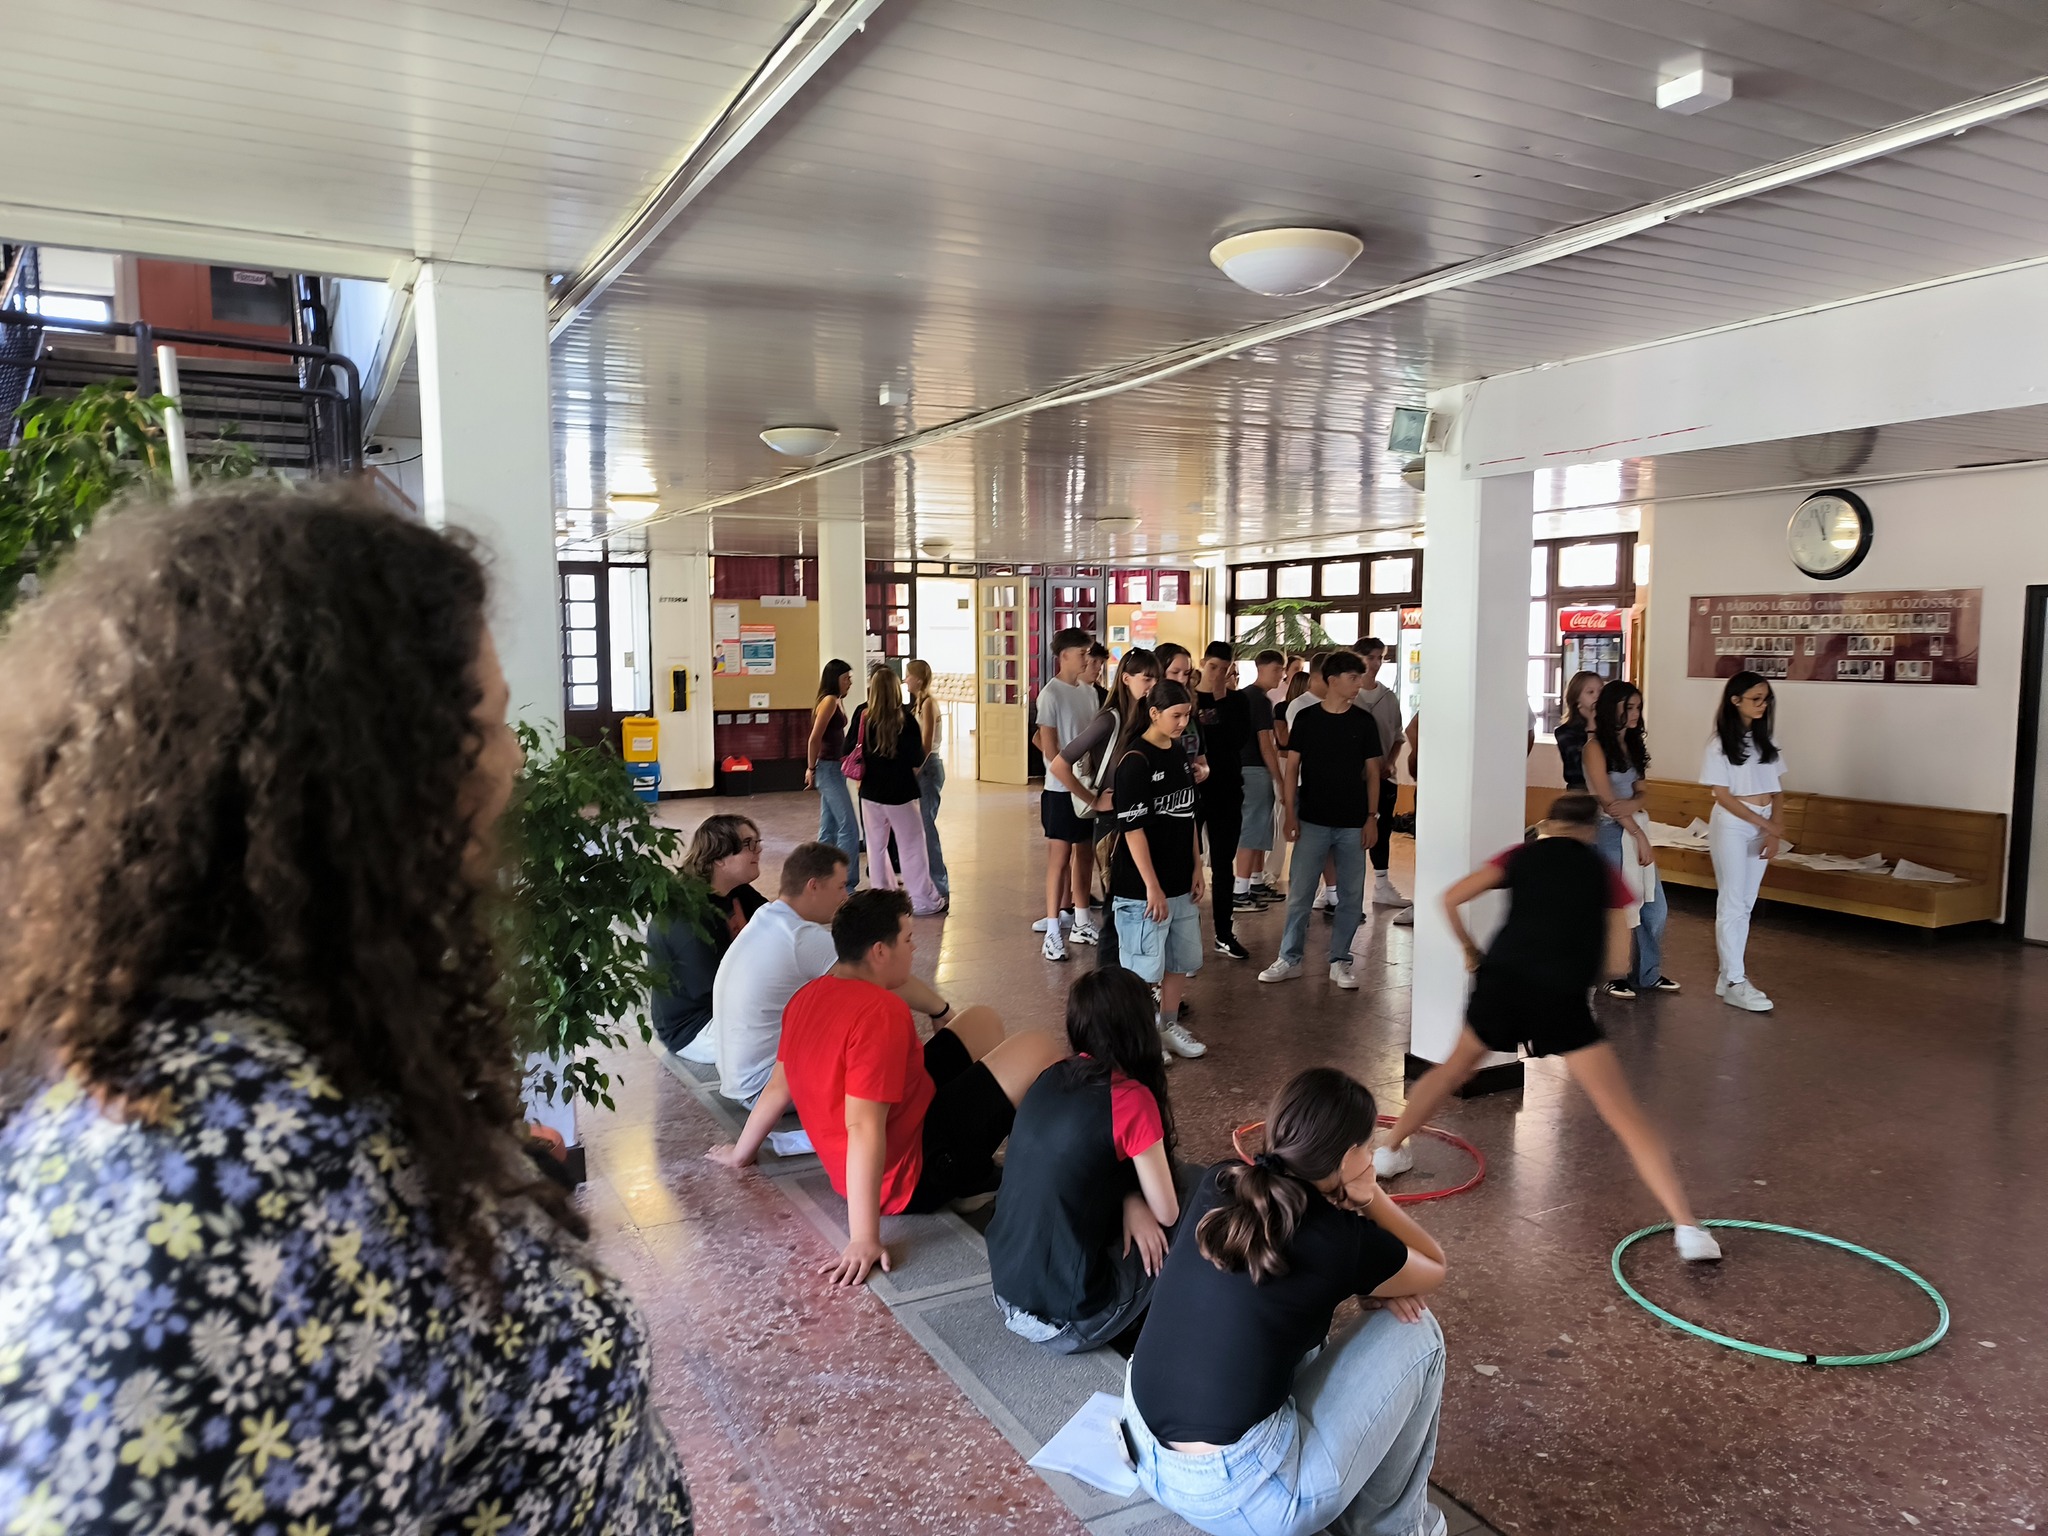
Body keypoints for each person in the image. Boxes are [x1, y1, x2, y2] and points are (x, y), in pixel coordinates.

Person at [0, 486, 693, 1533]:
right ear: (359, 781)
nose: (511, 764)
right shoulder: (222, 1194)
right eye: (487, 726)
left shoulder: (264, 1047)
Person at [1374, 795, 1723, 1264]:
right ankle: (1688, 1228)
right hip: (1560, 997)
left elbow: (1450, 898)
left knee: (1450, 1072)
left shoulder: (1520, 855)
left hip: (1502, 983)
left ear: (1548, 823)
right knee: (1622, 1113)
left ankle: (1388, 1152)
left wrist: (1471, 951)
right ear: (1591, 830)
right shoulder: (1603, 872)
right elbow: (1619, 960)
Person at [1124, 1068, 1447, 1536]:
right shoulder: (1340, 1240)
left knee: (1277, 1323)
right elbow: (1434, 1265)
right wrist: (1370, 1195)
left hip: (1144, 1446)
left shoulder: (1222, 1180)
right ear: (1348, 1157)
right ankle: (1395, 1530)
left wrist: (1365, 1275)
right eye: (1367, 1148)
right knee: (1419, 1333)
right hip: (1240, 1494)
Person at [709, 891, 1066, 1286]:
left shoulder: (806, 997)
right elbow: (863, 1126)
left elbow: (778, 1088)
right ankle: (971, 1178)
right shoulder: (882, 1012)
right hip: (910, 1179)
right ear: (880, 951)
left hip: (894, 1138)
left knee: (981, 1021)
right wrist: (863, 1237)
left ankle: (972, 1163)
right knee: (1038, 1047)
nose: (914, 949)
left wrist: (742, 1153)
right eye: (908, 939)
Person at [986, 968, 1182, 1352]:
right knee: (1196, 1187)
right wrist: (1136, 1201)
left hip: (1006, 1292)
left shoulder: (1050, 1075)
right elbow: (1168, 1211)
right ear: (1140, 1027)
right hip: (1072, 1322)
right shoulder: (1132, 1099)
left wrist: (1130, 1199)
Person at [711, 842, 956, 1105]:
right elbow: (882, 979)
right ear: (813, 886)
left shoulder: (769, 917)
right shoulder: (800, 937)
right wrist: (941, 1010)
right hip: (764, 1085)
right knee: (877, 1033)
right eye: (840, 886)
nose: (845, 897)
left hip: (743, 1078)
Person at [1261, 652, 1383, 991]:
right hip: (1312, 820)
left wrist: (1371, 818)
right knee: (1300, 893)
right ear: (1333, 680)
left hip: (1353, 823)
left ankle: (1340, 959)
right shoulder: (1307, 718)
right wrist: (1290, 812)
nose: (1359, 684)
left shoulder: (1364, 722)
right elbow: (1292, 769)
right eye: (1353, 678)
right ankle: (1289, 958)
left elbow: (1373, 773)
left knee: (1350, 896)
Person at [1109, 680, 1210, 1060]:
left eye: (1187, 715)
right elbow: (1132, 830)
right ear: (1154, 713)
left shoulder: (1179, 753)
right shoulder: (1136, 760)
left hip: (1180, 880)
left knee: (1180, 960)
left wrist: (1197, 867)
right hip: (1141, 888)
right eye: (1176, 715)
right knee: (1143, 968)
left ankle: (1167, 1026)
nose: (1183, 723)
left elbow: (1187, 816)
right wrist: (1152, 886)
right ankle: (1141, 1037)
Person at [1583, 680, 1678, 1000]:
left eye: (1638, 707)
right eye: (1630, 707)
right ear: (1613, 709)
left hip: (1636, 825)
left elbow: (1641, 792)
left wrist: (1634, 808)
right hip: (1610, 832)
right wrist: (1637, 833)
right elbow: (1608, 802)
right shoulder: (1594, 748)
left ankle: (1646, 973)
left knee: (1654, 907)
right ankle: (1613, 974)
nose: (1636, 714)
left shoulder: (1632, 745)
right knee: (1620, 907)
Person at [1701, 671, 1788, 1014]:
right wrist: (1763, 824)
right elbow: (1723, 795)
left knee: (1746, 903)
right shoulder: (1719, 744)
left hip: (1761, 824)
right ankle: (1736, 981)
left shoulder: (1766, 740)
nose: (1762, 705)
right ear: (1735, 700)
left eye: (1766, 699)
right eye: (1755, 699)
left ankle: (1728, 976)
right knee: (1733, 901)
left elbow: (1777, 791)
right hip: (1734, 825)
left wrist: (1773, 829)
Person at [654, 813, 767, 1059]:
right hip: (695, 1026)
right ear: (719, 858)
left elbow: (779, 926)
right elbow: (715, 989)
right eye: (748, 844)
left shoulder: (736, 889)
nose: (758, 850)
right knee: (795, 1033)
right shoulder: (686, 914)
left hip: (729, 1007)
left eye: (757, 842)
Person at [1036, 627, 1104, 960]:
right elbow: (1051, 751)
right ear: (1064, 656)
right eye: (1082, 653)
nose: (1087, 659)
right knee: (1059, 858)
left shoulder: (1089, 693)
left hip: (1086, 785)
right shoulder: (1050, 694)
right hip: (1061, 790)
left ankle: (1082, 919)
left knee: (1085, 854)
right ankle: (1052, 930)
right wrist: (1081, 788)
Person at [856, 666, 946, 915]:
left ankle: (882, 895)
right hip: (901, 793)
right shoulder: (905, 720)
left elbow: (850, 749)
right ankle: (922, 900)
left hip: (870, 793)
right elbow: (917, 757)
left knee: (876, 847)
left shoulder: (865, 717)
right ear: (895, 690)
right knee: (911, 846)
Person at [1194, 642, 1258, 961]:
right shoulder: (1188, 698)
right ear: (1203, 663)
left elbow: (1236, 740)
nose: (1218, 674)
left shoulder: (1237, 701)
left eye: (1225, 668)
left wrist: (1220, 699)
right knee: (1185, 864)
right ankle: (1185, 936)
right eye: (1213, 667)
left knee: (1223, 865)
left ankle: (1223, 933)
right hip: (1193, 792)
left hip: (1227, 790)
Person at [1357, 638, 1412, 912]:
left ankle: (1381, 884)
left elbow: (1398, 736)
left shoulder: (1388, 697)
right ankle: (1332, 888)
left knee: (1382, 830)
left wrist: (1389, 762)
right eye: (1371, 657)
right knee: (1348, 833)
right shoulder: (1349, 695)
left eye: (1380, 657)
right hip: (1355, 779)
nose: (1376, 663)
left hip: (1384, 778)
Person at [1232, 649, 1287, 916]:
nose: (1281, 675)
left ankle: (1255, 883)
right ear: (1261, 668)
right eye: (1277, 669)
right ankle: (1240, 891)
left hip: (1247, 769)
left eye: (1282, 670)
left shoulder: (1246, 696)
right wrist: (1279, 778)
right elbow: (1266, 744)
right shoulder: (1259, 701)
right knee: (1252, 830)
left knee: (1261, 828)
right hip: (1254, 769)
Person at [807, 659, 862, 892]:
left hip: (835, 769)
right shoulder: (829, 701)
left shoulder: (836, 700)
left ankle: (820, 878)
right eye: (845, 678)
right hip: (827, 769)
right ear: (834, 679)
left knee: (828, 829)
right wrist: (811, 768)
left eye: (850, 678)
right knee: (849, 828)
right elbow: (814, 738)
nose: (849, 682)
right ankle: (847, 885)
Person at [904, 658, 951, 903]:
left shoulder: (929, 703)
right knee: (921, 827)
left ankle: (939, 883)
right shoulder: (918, 704)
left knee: (927, 826)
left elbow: (926, 742)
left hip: (929, 767)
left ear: (919, 680)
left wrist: (914, 771)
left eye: (908, 676)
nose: (905, 680)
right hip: (923, 767)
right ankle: (925, 880)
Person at [1553, 669, 1603, 792]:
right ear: (1576, 698)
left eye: (1601, 691)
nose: (1597, 696)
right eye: (1590, 692)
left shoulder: (1608, 727)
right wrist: (1591, 727)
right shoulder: (1564, 732)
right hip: (1580, 793)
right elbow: (1582, 766)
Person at [1085, 640, 1112, 707]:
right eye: (1094, 661)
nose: (1099, 668)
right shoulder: (1065, 692)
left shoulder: (1106, 697)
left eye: (1102, 663)